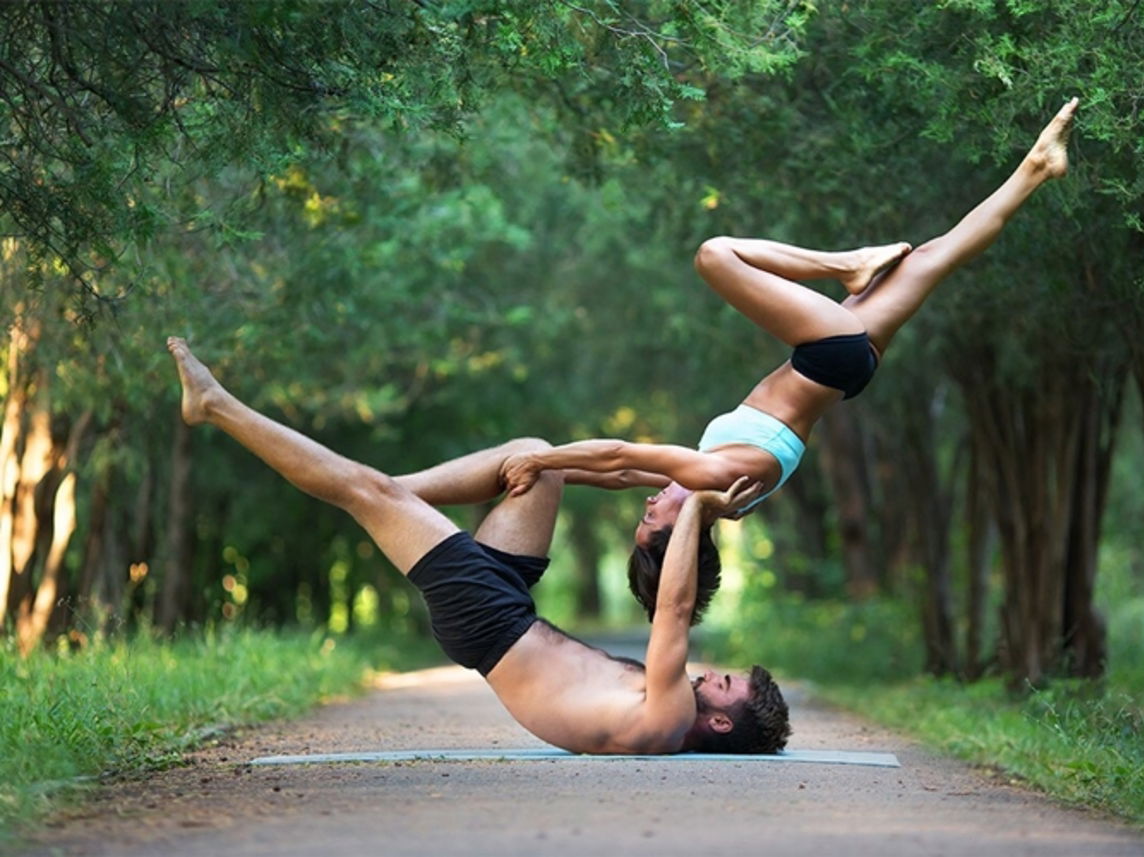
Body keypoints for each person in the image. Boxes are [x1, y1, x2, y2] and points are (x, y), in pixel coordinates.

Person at [500, 97, 1081, 622]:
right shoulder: (711, 480)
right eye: (651, 518)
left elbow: (620, 472)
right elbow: (620, 451)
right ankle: (845, 262)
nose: (649, 502)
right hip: (829, 355)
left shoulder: (713, 498)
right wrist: (544, 458)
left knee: (935, 255)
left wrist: (541, 470)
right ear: (678, 534)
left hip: (848, 370)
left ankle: (1036, 169)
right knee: (714, 256)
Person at [166, 337, 791, 755]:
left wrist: (703, 509)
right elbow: (622, 479)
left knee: (364, 489)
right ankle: (386, 494)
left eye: (726, 683)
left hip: (488, 621)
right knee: (536, 460)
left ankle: (217, 406)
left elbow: (674, 611)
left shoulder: (667, 721)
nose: (713, 672)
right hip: (509, 607)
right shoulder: (673, 706)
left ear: (718, 721)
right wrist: (672, 484)